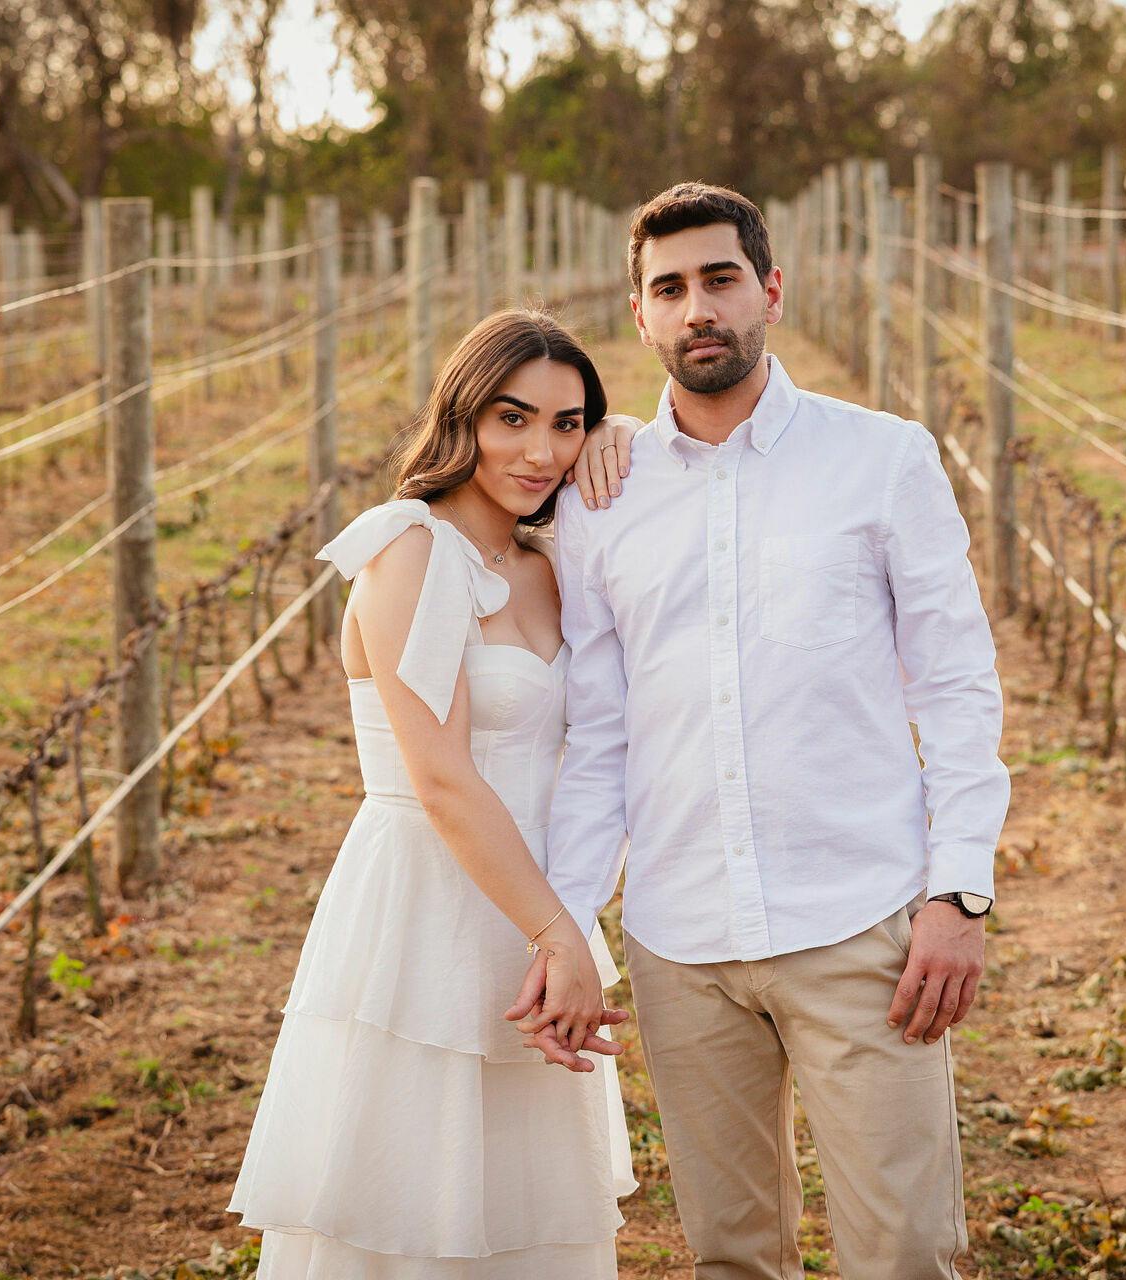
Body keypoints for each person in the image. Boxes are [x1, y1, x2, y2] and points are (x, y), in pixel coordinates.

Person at [521, 182, 1014, 1278]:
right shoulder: (601, 493)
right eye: (670, 287)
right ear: (639, 314)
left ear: (771, 292)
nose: (698, 307)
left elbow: (959, 688)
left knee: (904, 1252)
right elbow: (601, 739)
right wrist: (567, 927)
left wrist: (960, 891)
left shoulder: (882, 458)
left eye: (721, 279)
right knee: (733, 1254)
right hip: (680, 941)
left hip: (862, 929)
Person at [226, 308, 642, 1278]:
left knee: (522, 1212)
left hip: (533, 897)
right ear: (463, 416)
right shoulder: (406, 549)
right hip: (426, 909)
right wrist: (561, 935)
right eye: (513, 418)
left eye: (569, 422)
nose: (542, 449)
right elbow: (444, 778)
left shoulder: (549, 562)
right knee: (410, 1206)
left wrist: (630, 439)